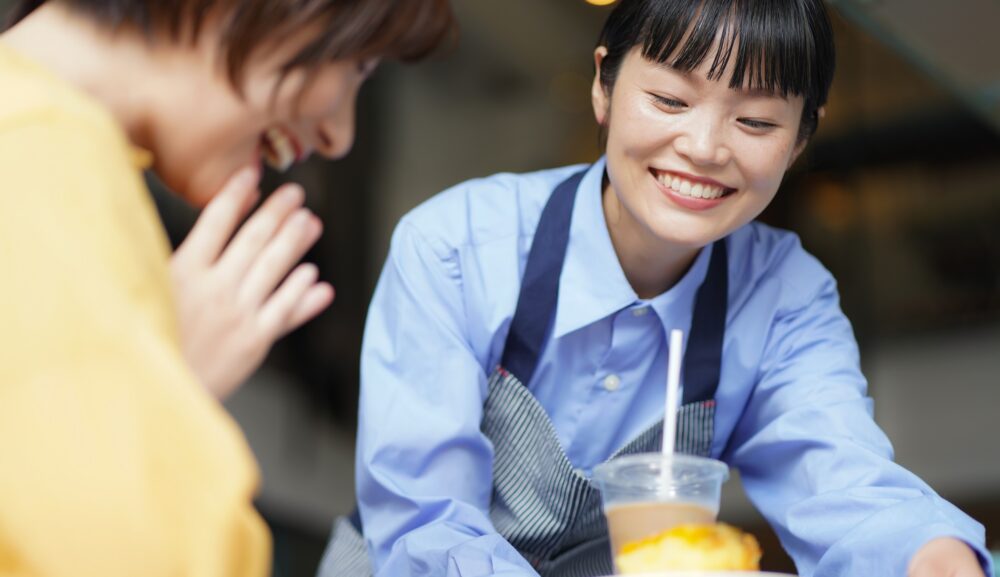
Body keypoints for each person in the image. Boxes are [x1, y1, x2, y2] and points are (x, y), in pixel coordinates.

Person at [323, 1, 993, 576]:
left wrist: (930, 551)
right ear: (603, 88)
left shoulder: (784, 298)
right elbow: (423, 519)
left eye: (755, 122)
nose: (704, 147)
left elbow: (843, 479)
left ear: (798, 142)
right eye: (670, 99)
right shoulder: (457, 247)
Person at [0, 0, 452, 575]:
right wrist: (166, 400)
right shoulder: (43, 160)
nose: (340, 134)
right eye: (356, 65)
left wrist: (151, 383)